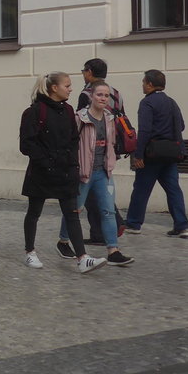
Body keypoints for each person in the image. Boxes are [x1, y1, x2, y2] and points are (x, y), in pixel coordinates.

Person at [18, 71, 107, 273]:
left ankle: (82, 258)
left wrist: (72, 164)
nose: (70, 89)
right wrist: (46, 162)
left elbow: (74, 139)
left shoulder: (67, 110)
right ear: (54, 88)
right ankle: (30, 251)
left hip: (66, 172)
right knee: (34, 212)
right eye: (67, 86)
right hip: (41, 172)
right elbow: (27, 144)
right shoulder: (34, 112)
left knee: (72, 214)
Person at [58, 79, 133, 266]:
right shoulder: (79, 118)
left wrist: (111, 161)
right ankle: (63, 241)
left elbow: (111, 143)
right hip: (83, 173)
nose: (103, 98)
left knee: (108, 211)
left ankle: (113, 251)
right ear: (91, 96)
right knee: (75, 209)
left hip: (103, 173)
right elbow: (69, 144)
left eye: (106, 95)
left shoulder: (109, 118)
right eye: (99, 94)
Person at [124, 69, 188, 238]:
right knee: (173, 189)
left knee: (141, 189)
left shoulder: (147, 103)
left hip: (152, 154)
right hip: (171, 154)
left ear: (150, 84)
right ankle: (182, 226)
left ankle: (133, 223)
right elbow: (181, 126)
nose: (142, 85)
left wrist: (138, 155)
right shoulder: (172, 102)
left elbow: (144, 130)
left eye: (144, 82)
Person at [76, 58, 126, 244]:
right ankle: (111, 225)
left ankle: (100, 232)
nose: (83, 74)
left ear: (89, 72)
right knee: (103, 190)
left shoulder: (87, 93)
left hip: (90, 151)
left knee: (89, 196)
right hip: (110, 149)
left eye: (84, 71)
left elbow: (80, 122)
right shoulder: (116, 93)